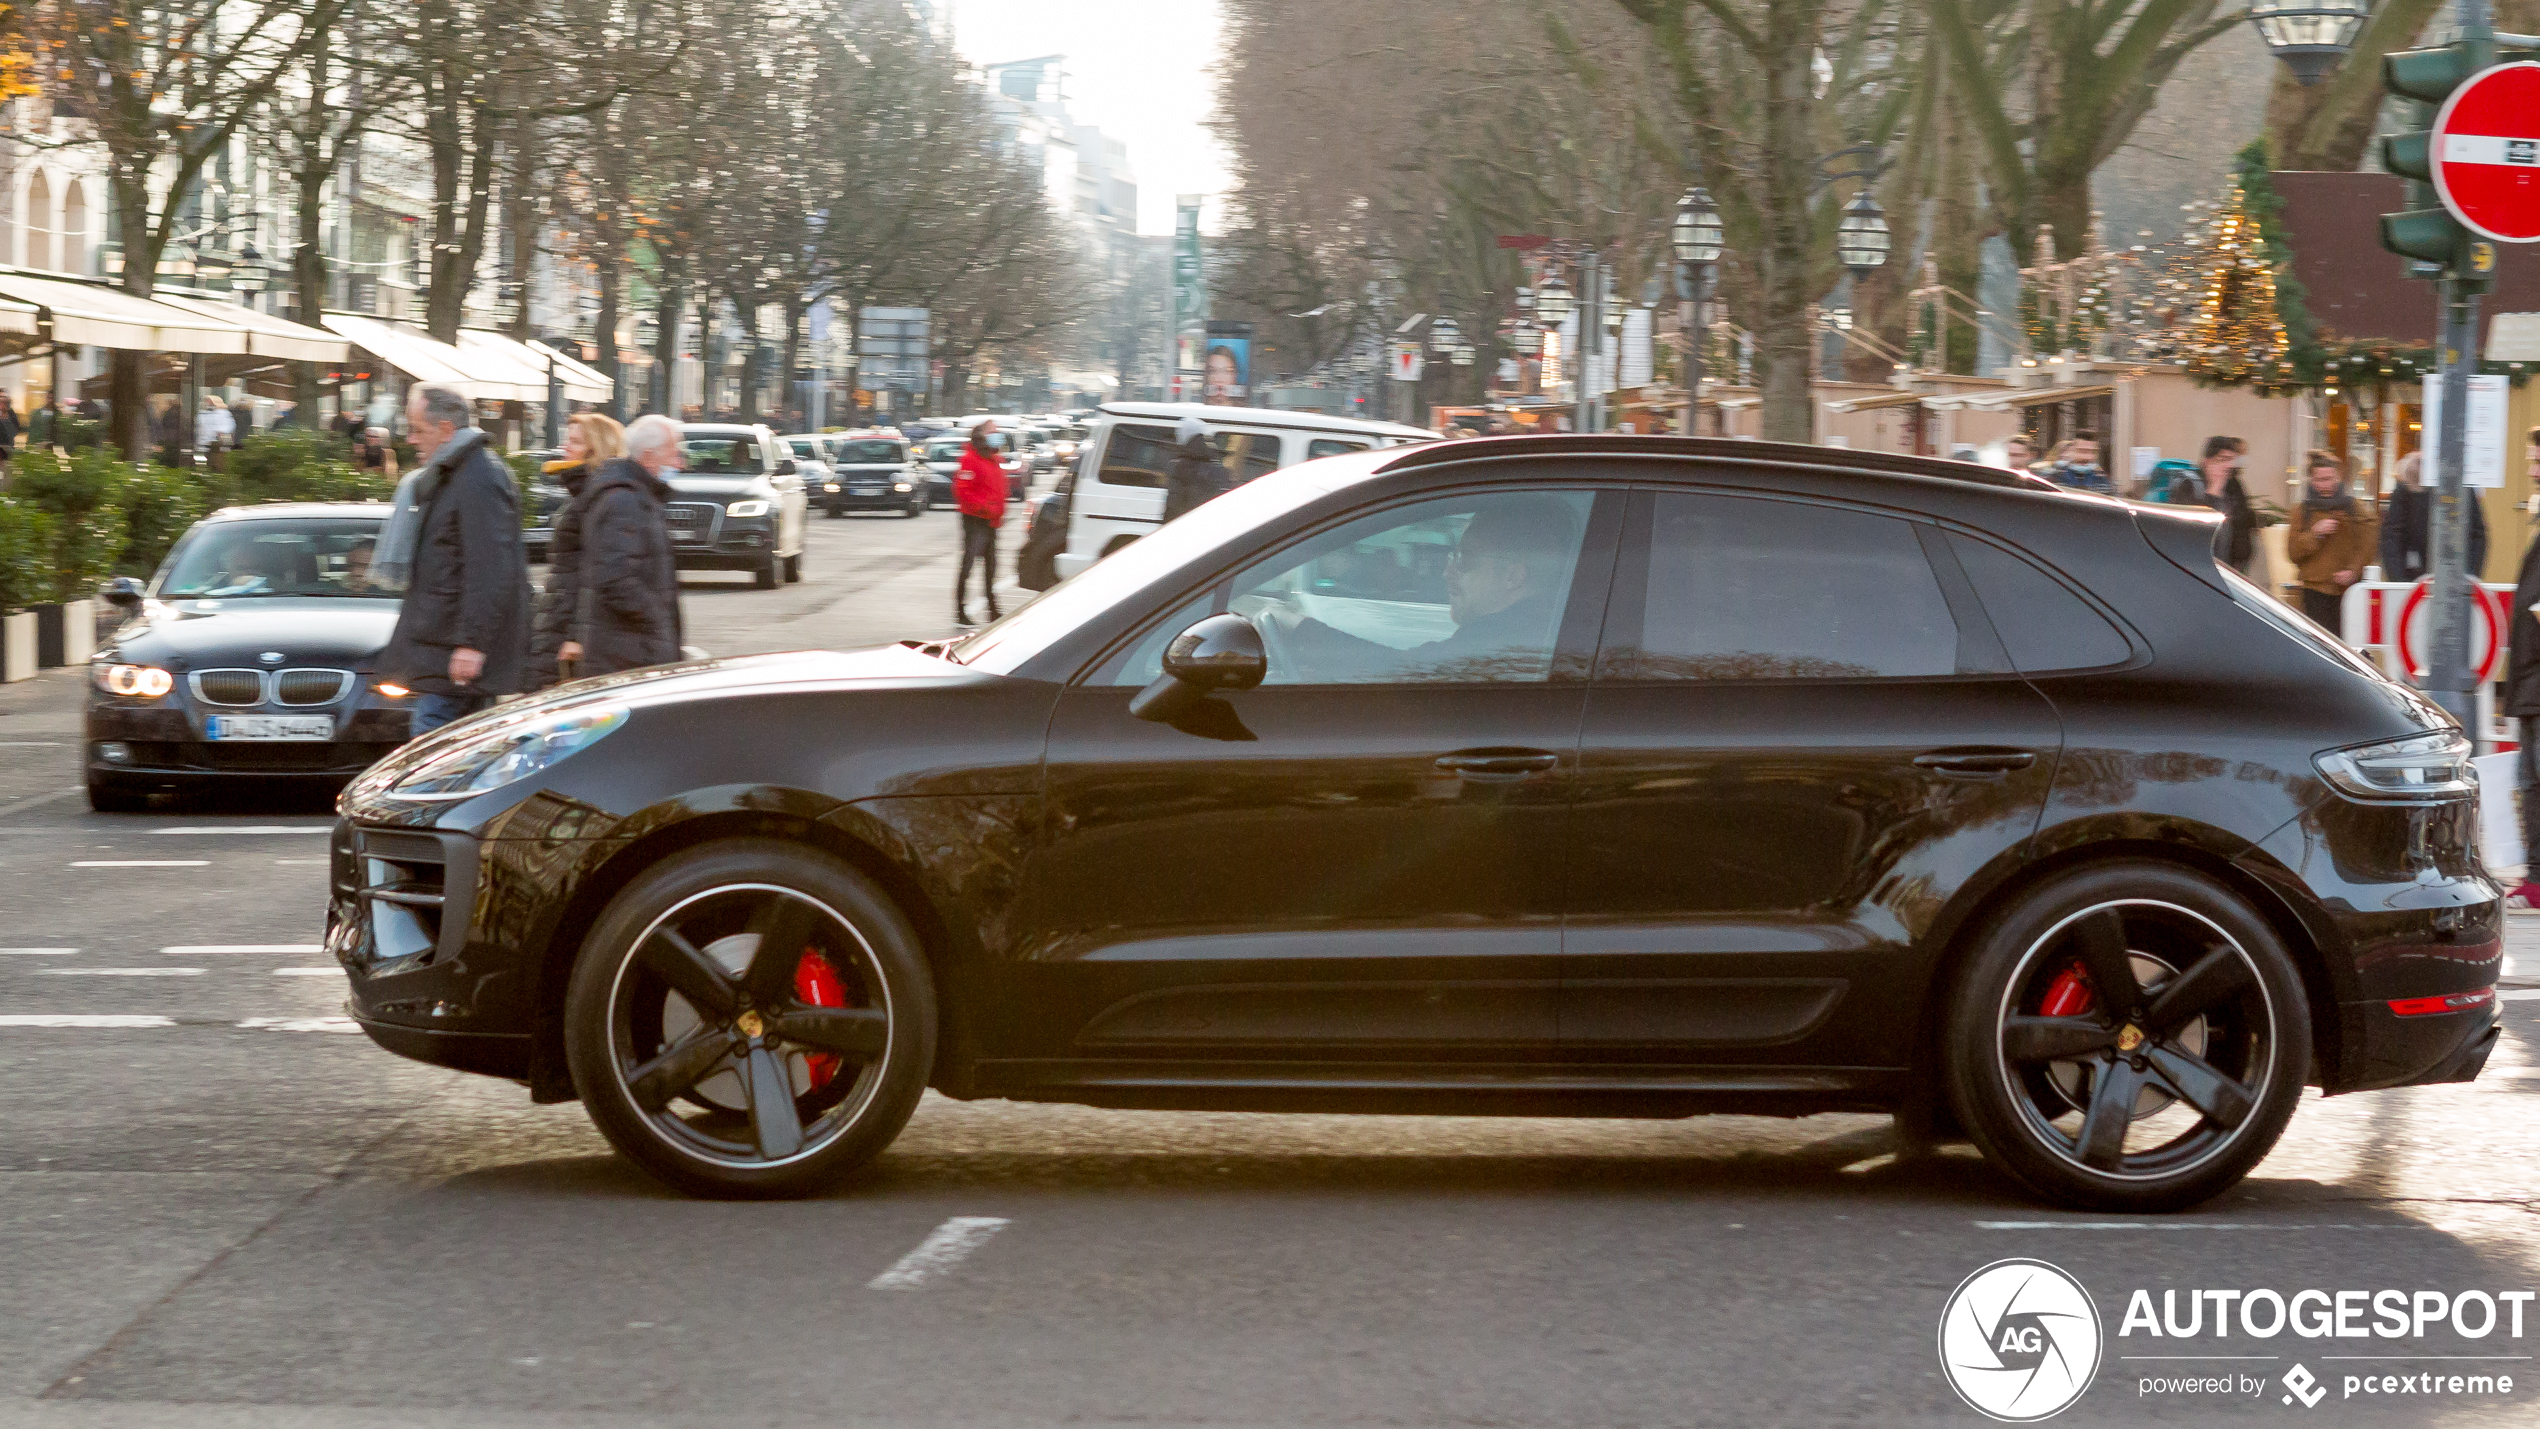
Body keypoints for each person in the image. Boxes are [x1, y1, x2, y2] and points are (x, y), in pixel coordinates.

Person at [375, 382, 532, 735]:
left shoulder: (478, 476)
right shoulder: (460, 473)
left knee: (433, 752)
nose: (411, 440)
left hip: (453, 655)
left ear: (446, 430)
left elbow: (491, 568)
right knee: (459, 755)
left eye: (417, 430)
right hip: (446, 651)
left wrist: (472, 645)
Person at [571, 414, 683, 676]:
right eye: (673, 454)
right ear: (649, 456)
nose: (680, 462)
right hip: (627, 657)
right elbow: (614, 577)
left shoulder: (637, 497)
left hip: (632, 650)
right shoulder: (624, 501)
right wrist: (657, 620)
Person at [526, 412, 626, 688]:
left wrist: (576, 636)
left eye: (575, 442)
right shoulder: (585, 495)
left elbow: (594, 574)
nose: (565, 448)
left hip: (569, 634)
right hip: (560, 623)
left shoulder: (597, 499)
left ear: (595, 449)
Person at [2285, 449, 2378, 630]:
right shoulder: (2302, 511)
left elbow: (2367, 543)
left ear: (2338, 477)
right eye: (2320, 480)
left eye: (2330, 479)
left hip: (2347, 591)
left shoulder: (2354, 508)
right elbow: (2293, 553)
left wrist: (2353, 570)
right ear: (2312, 480)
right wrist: (2315, 533)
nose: (2326, 485)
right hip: (2314, 591)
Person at [2506, 426, 2540, 908]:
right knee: (2531, 777)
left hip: (2538, 676)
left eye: (2539, 461)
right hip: (2532, 678)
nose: (2532, 470)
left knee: (2536, 778)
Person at [2379, 449, 2488, 584]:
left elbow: (2476, 534)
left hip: (2451, 575)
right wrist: (2398, 579)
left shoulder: (2462, 488)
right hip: (2415, 575)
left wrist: (2469, 575)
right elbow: (2392, 536)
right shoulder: (2407, 487)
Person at [2180, 435, 2260, 575]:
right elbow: (2192, 532)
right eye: (2222, 460)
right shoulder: (2190, 486)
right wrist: (2212, 494)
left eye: (2231, 460)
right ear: (2207, 462)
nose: (2228, 466)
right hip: (2198, 572)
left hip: (2230, 571)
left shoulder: (2233, 487)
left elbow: (2241, 523)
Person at [953, 418, 1006, 626]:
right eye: (994, 431)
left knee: (991, 567)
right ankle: (960, 610)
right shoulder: (970, 459)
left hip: (991, 521)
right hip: (976, 520)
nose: (997, 434)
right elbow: (962, 491)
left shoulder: (993, 458)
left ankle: (993, 609)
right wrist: (985, 508)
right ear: (982, 436)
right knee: (968, 566)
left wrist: (997, 511)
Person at [1162, 415, 1230, 522]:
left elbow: (1173, 504)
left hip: (1182, 525)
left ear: (1185, 435)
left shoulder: (1180, 466)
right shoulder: (1216, 464)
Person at [2045, 433, 2114, 494]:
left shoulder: (2101, 478)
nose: (2087, 457)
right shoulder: (2056, 474)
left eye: (2092, 452)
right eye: (2082, 451)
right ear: (2072, 450)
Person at [196, 395, 235, 459]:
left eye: (210, 402)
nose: (208, 404)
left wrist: (220, 432)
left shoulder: (224, 413)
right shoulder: (201, 414)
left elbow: (229, 427)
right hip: (203, 445)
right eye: (206, 402)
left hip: (217, 446)